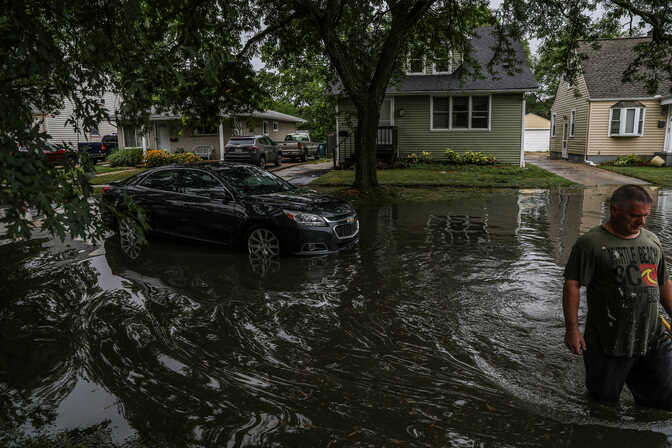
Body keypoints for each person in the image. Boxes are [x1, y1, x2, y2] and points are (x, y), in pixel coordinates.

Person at [563, 184, 672, 409]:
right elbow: (572, 285)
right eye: (634, 215)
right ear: (614, 210)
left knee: (663, 401)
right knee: (603, 405)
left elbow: (662, 284)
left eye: (645, 216)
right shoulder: (591, 244)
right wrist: (572, 329)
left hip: (652, 337)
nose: (642, 222)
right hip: (608, 341)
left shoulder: (652, 241)